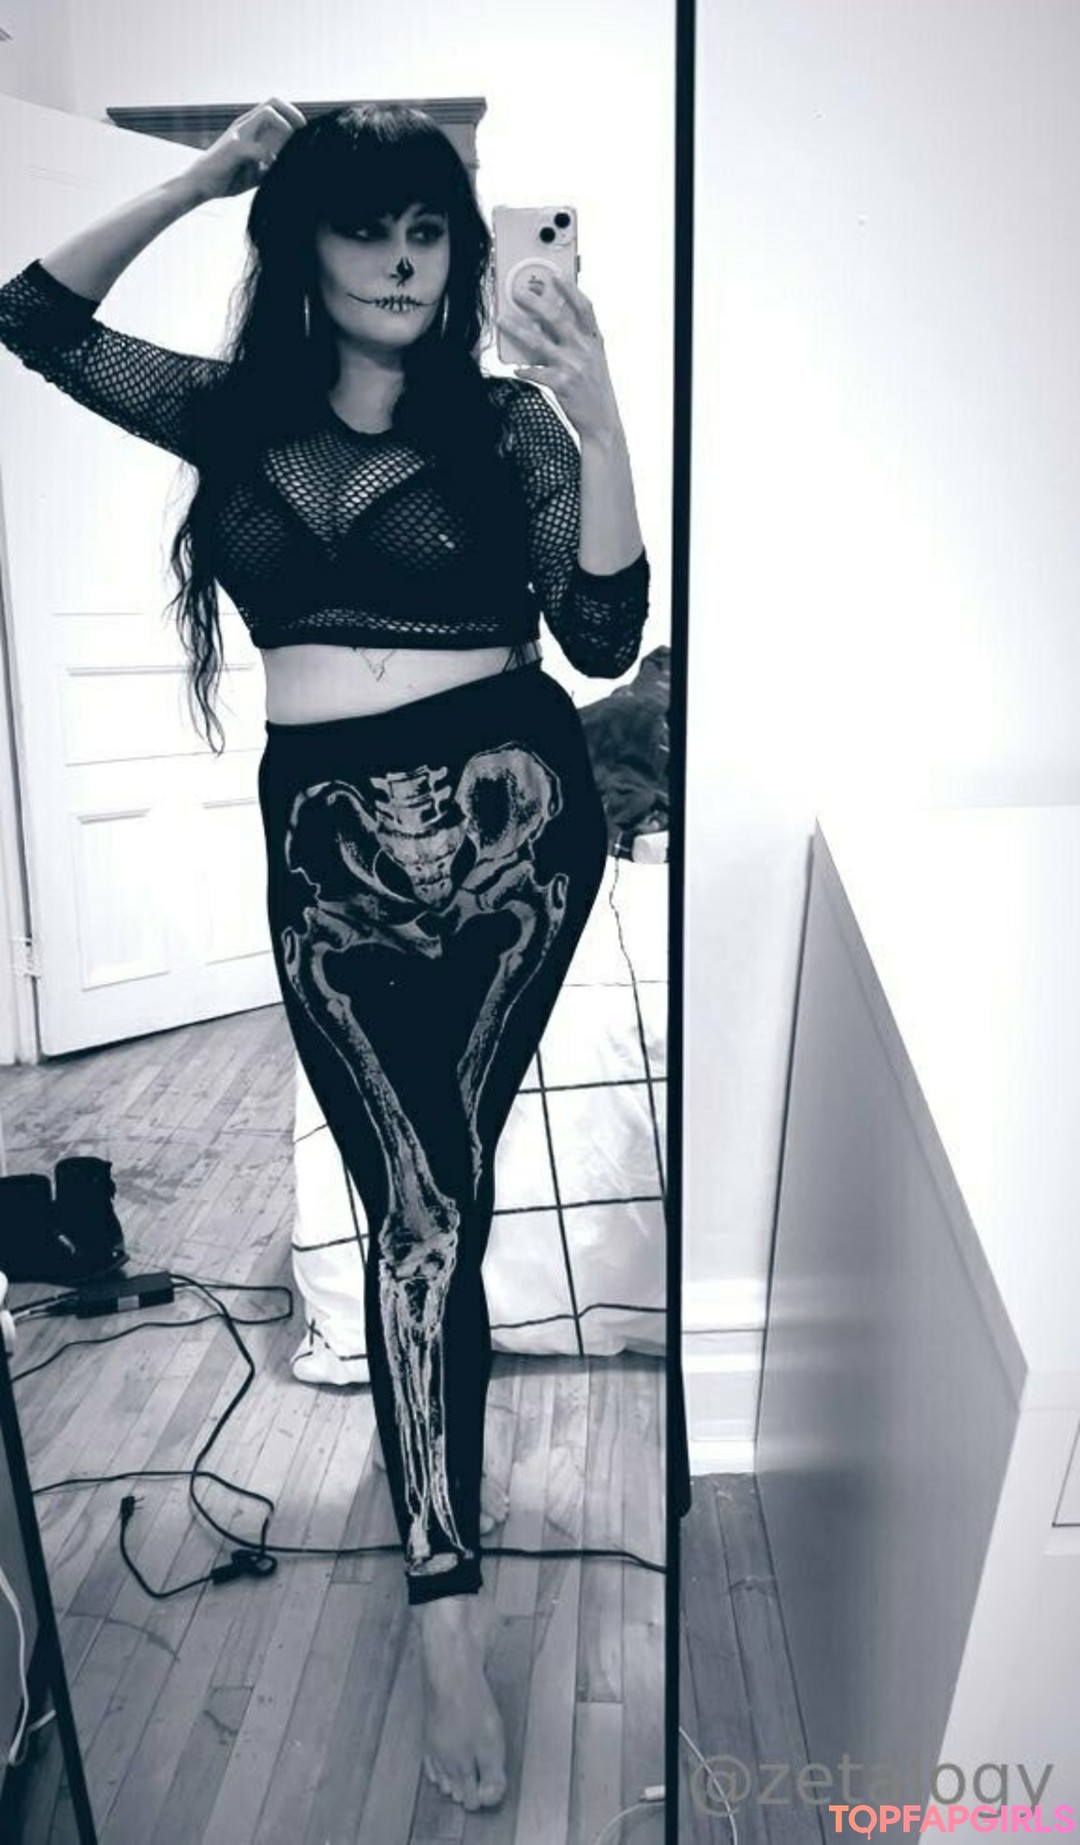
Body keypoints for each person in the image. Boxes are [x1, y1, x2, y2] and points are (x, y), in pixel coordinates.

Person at [0, 97, 649, 1813]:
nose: (401, 258)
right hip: (326, 851)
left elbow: (601, 635)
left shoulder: (506, 426)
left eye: (429, 229)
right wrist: (207, 173)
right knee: (424, 1206)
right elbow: (31, 318)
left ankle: (444, 1604)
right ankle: (445, 1543)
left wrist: (599, 417)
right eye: (366, 225)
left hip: (519, 829)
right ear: (303, 243)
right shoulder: (235, 416)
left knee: (433, 1204)